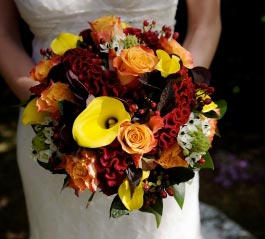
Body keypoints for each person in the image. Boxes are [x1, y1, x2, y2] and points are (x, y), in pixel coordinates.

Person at [0, 0, 221, 238]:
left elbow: (205, 24)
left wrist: (173, 102)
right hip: (53, 133)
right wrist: (55, 108)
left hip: (160, 138)